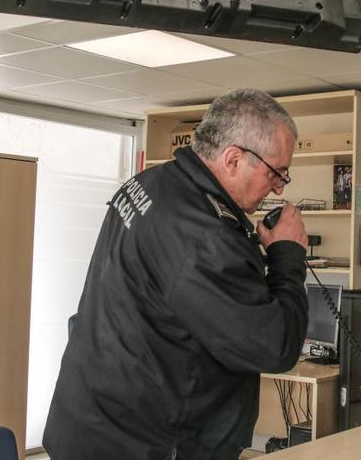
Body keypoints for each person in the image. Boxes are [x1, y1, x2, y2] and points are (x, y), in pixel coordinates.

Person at [43, 88, 310, 460]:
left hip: (91, 416)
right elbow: (275, 348)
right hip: (144, 442)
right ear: (233, 159)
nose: (280, 185)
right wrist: (287, 254)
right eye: (277, 171)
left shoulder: (150, 184)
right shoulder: (206, 237)